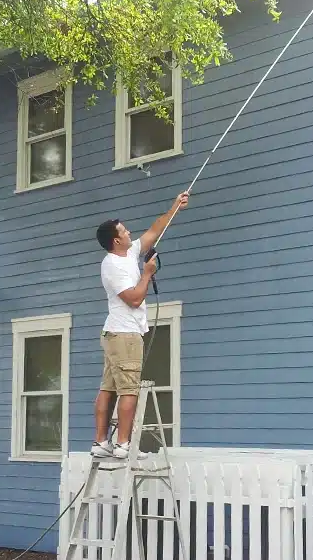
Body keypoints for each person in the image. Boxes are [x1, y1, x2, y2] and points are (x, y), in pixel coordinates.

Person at [92, 191, 190, 459]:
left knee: (108, 387)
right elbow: (134, 299)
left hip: (117, 334)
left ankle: (101, 443)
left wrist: (175, 207)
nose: (129, 232)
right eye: (124, 231)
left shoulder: (129, 253)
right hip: (124, 334)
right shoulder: (112, 266)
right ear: (116, 240)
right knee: (129, 390)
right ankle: (123, 445)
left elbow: (154, 231)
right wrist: (147, 274)